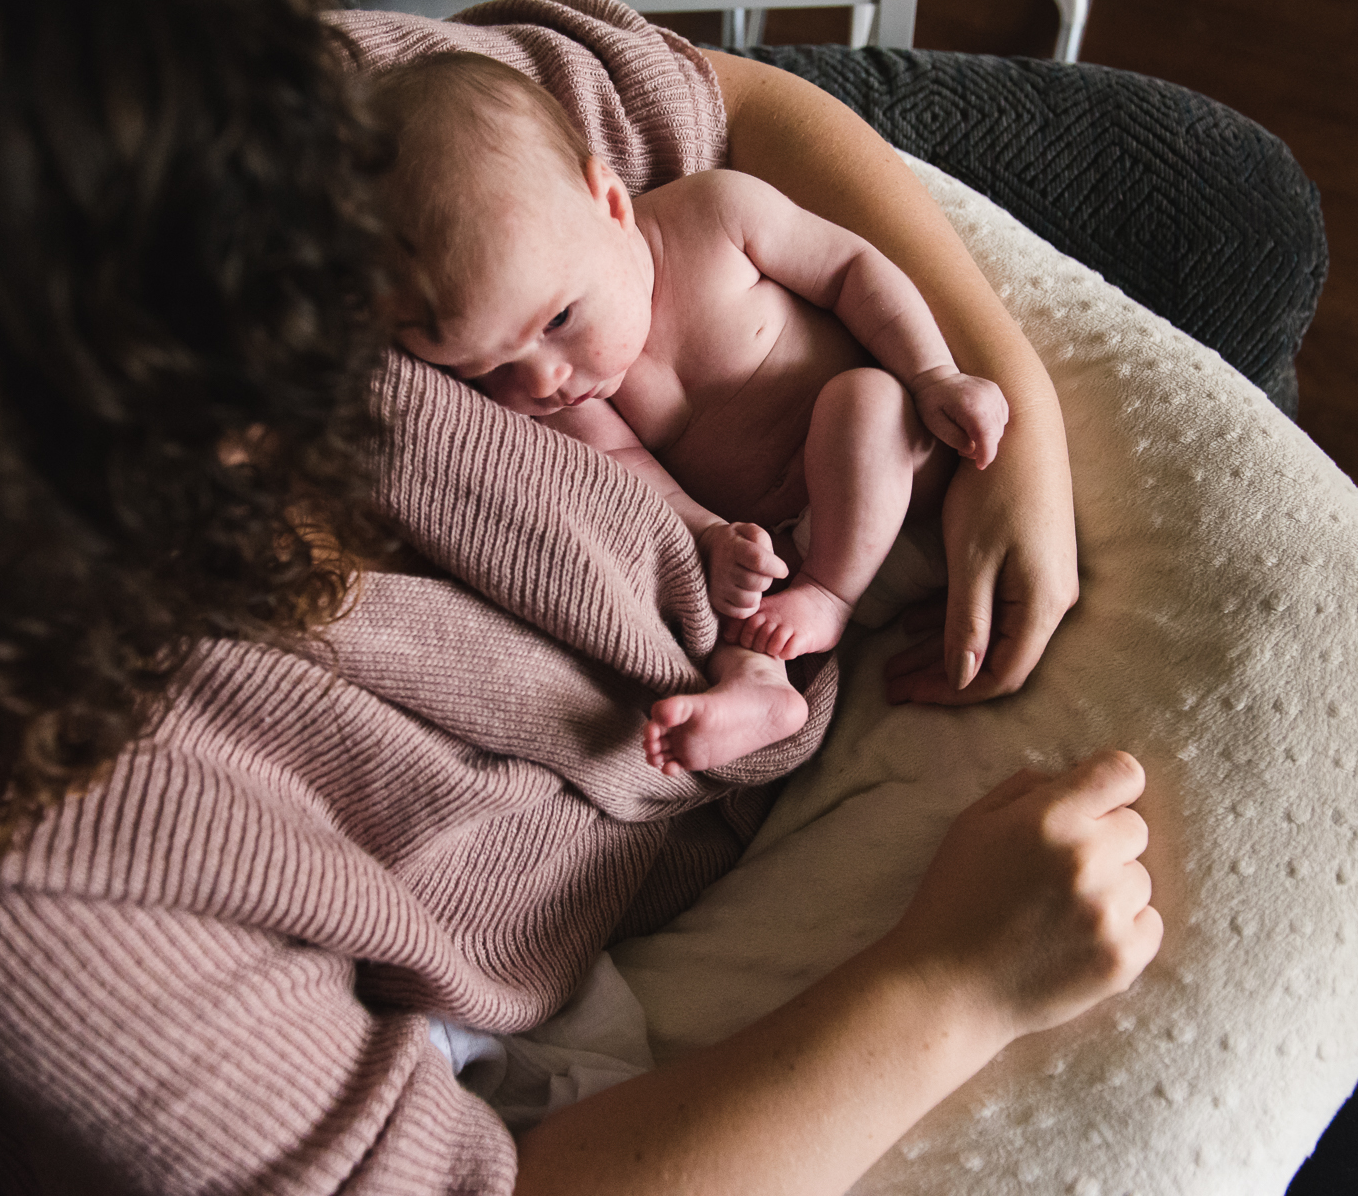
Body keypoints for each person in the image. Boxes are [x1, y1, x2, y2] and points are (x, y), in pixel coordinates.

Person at [0, 0, 1358, 1193]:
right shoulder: (15, 849)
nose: (334, 285)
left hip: (782, 660)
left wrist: (994, 401)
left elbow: (716, 105)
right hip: (645, 978)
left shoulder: (250, 141)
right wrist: (941, 983)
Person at [371, 53, 1009, 772]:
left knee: (863, 401)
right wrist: (713, 538)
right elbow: (636, 477)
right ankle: (761, 695)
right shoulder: (568, 406)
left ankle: (835, 592)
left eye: (558, 318)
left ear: (609, 202)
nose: (545, 377)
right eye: (488, 367)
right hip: (785, 561)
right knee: (726, 605)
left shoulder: (716, 216)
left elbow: (850, 269)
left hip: (900, 484)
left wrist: (933, 373)